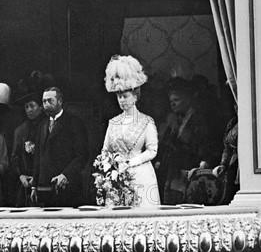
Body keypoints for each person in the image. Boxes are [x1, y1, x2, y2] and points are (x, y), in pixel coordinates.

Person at [101, 55, 161, 207]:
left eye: (125, 96)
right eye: (119, 97)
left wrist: (131, 162)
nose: (121, 100)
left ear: (135, 96)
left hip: (141, 176)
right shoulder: (113, 122)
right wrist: (109, 167)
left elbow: (152, 150)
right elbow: (105, 150)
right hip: (116, 178)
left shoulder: (146, 122)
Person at [155, 77, 218, 205]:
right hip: (174, 174)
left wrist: (204, 162)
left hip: (191, 172)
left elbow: (205, 145)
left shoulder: (198, 120)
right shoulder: (173, 121)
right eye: (171, 101)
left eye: (176, 100)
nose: (173, 104)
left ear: (187, 99)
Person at [31, 87, 88, 207]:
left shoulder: (74, 123)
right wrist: (34, 186)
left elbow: (82, 156)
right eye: (44, 101)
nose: (46, 105)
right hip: (46, 190)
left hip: (68, 188)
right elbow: (38, 157)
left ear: (60, 101)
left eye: (50, 101)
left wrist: (66, 175)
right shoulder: (42, 126)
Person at [11, 91, 46, 206]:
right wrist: (20, 175)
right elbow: (15, 157)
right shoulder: (20, 130)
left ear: (41, 107)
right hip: (24, 181)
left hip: (43, 181)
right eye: (26, 107)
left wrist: (37, 177)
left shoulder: (47, 126)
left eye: (32, 106)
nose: (29, 110)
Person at [212, 107, 238, 204]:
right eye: (235, 106)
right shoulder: (233, 122)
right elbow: (227, 148)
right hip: (231, 166)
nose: (237, 108)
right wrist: (223, 164)